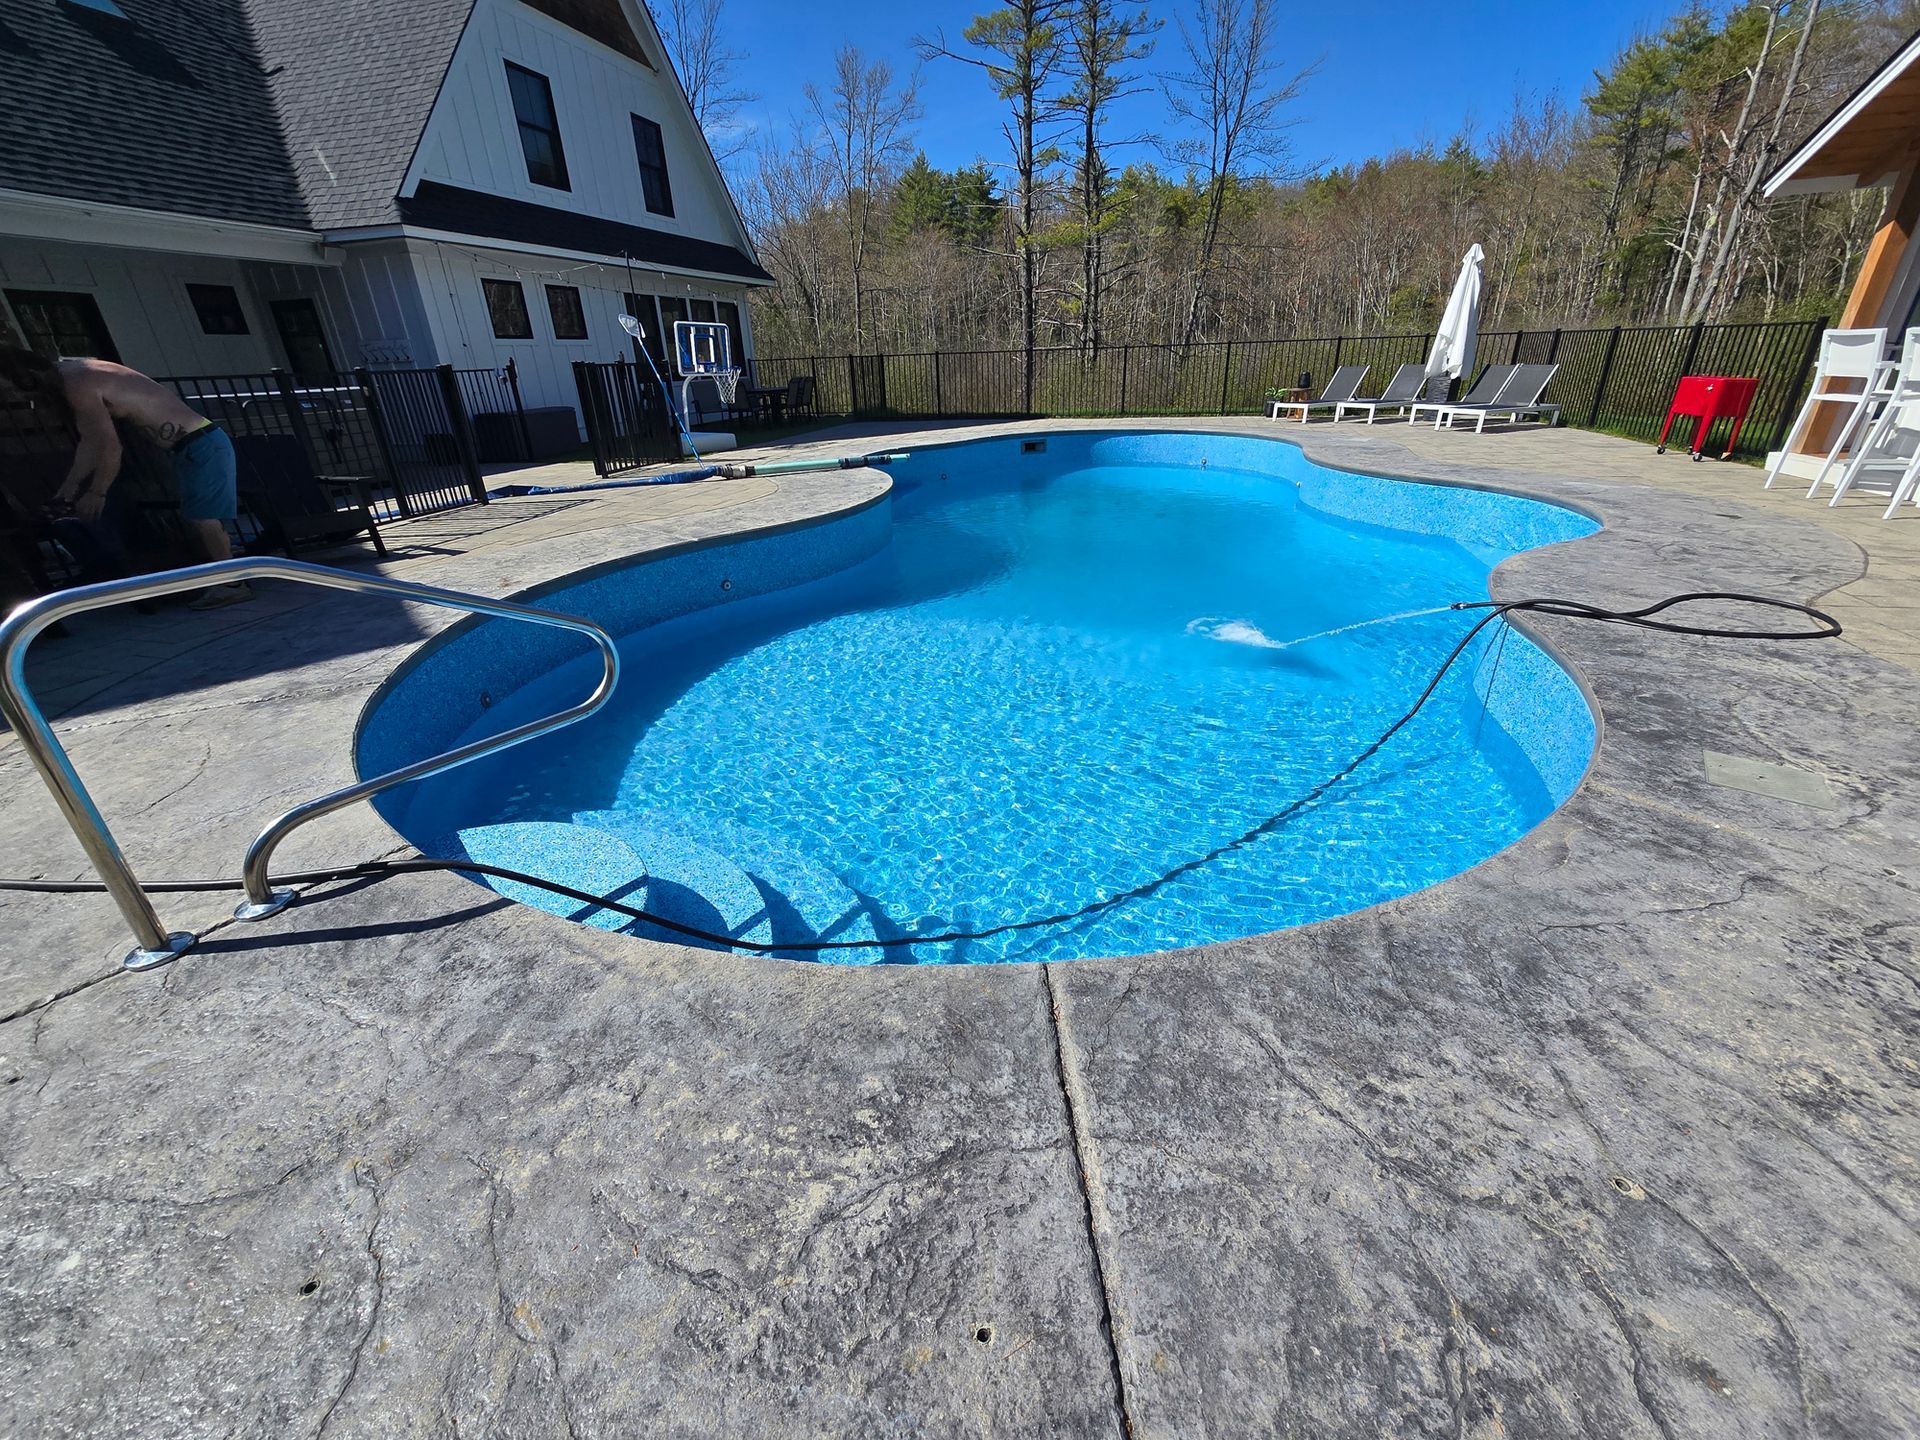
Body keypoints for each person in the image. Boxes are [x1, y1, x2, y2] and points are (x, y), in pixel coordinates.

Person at [0, 346, 252, 607]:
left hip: (199, 444)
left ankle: (233, 585)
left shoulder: (77, 383)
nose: (18, 396)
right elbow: (90, 442)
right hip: (190, 445)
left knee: (204, 519)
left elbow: (110, 446)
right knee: (200, 517)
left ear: (28, 376)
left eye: (15, 389)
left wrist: (97, 492)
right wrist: (68, 488)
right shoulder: (77, 372)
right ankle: (229, 576)